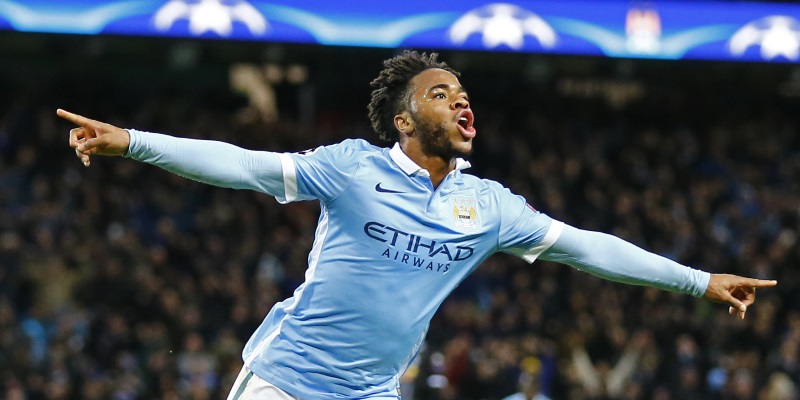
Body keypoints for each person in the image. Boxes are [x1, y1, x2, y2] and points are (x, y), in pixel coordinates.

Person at [57, 51, 777, 400]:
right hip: (286, 380)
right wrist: (133, 140)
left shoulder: (490, 207)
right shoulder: (351, 168)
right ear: (404, 121)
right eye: (441, 95)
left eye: (464, 95)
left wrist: (697, 281)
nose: (461, 103)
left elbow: (586, 248)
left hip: (374, 392)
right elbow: (244, 165)